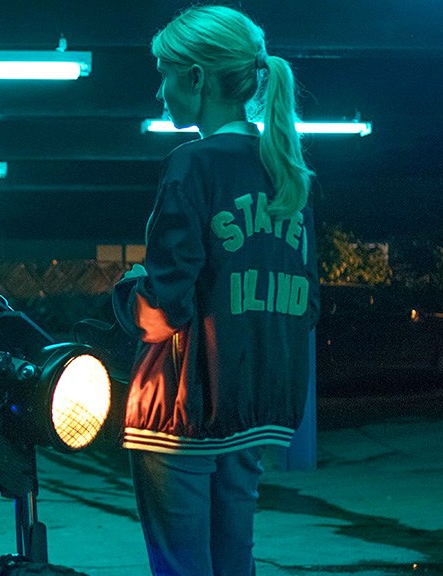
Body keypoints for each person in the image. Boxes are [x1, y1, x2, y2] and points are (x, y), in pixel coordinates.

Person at [111, 6, 320, 575]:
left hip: (180, 412)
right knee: (234, 562)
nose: (160, 92)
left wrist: (127, 290)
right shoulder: (288, 172)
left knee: (181, 566)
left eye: (165, 75)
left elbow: (163, 310)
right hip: (253, 410)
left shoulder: (192, 165)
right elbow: (306, 307)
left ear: (197, 78)